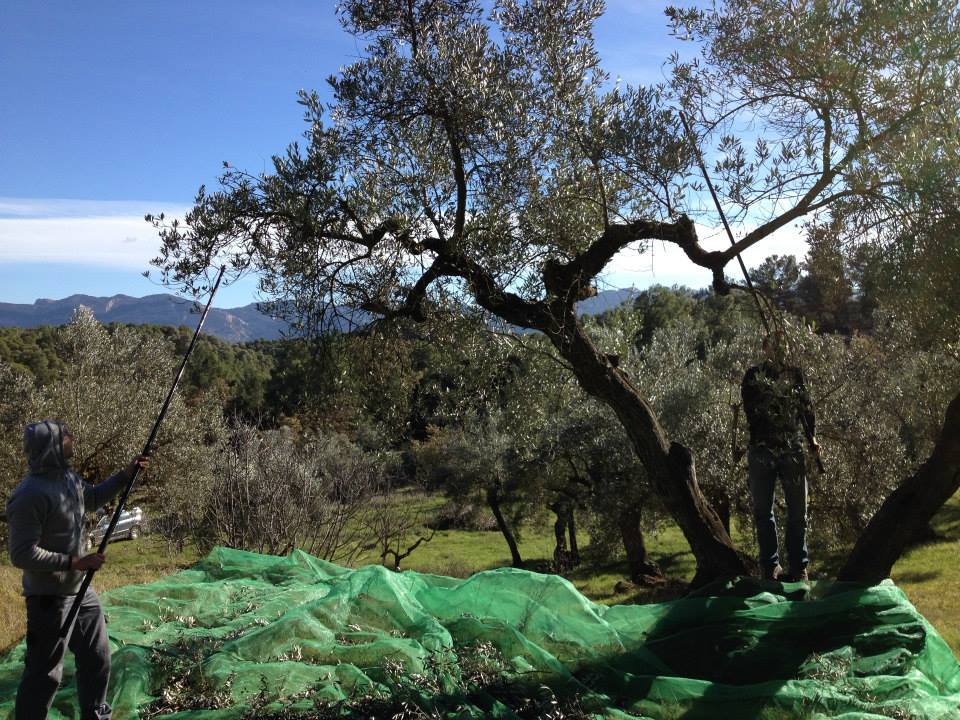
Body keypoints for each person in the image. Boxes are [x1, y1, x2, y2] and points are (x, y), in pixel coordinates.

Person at [6, 419, 149, 720]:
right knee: (45, 675)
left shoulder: (67, 480)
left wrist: (126, 474)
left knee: (98, 658)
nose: (71, 438)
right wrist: (75, 562)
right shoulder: (29, 494)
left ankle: (96, 715)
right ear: (52, 447)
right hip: (49, 598)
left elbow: (94, 498)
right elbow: (21, 554)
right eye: (65, 436)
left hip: (80, 592)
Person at [741, 333, 820, 582]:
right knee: (763, 511)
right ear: (764, 348)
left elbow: (807, 409)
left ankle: (799, 567)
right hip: (762, 449)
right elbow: (753, 412)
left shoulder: (795, 375)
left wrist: (813, 439)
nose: (777, 351)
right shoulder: (752, 376)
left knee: (798, 512)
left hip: (791, 449)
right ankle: (770, 567)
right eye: (773, 346)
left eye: (782, 346)